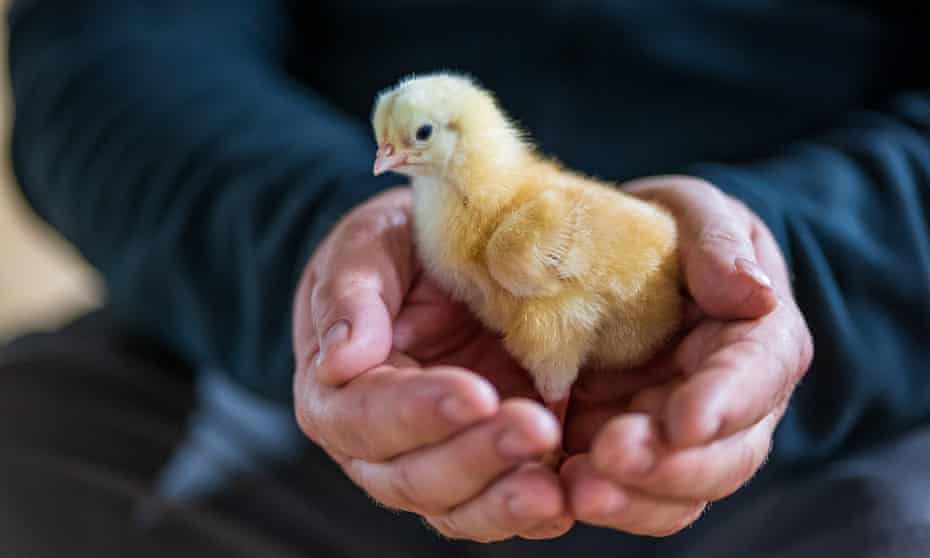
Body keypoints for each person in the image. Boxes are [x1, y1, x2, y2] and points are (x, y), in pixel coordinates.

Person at [2, 0, 929, 556]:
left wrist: (785, 267)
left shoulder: (525, 231)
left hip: (855, 358)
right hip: (275, 309)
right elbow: (105, 51)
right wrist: (321, 249)